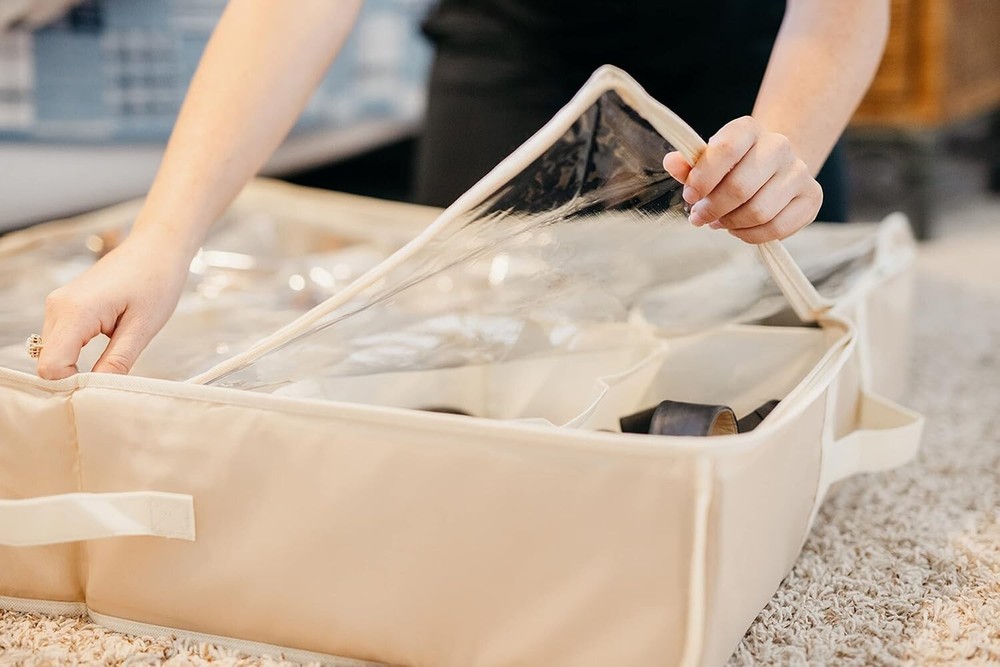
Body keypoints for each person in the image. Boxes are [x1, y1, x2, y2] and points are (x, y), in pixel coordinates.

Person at [34, 0, 889, 380]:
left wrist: (785, 147)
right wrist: (164, 236)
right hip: (514, 43)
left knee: (764, 370)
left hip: (751, 65)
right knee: (462, 362)